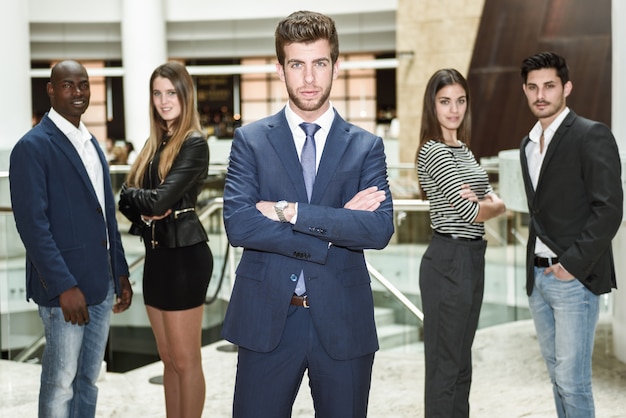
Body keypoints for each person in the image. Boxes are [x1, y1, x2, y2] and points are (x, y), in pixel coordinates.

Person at [221, 10, 394, 418]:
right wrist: (336, 223)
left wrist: (289, 211)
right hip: (266, 319)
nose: (309, 78)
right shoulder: (251, 141)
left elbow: (378, 230)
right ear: (280, 70)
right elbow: (239, 224)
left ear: (336, 65)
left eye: (319, 63)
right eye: (297, 65)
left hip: (343, 322)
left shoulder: (366, 146)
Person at [9, 60, 133, 418]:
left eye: (83, 85)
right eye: (68, 85)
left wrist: (119, 271)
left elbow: (106, 217)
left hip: (101, 285)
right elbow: (33, 227)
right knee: (60, 382)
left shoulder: (92, 144)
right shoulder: (32, 147)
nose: (78, 93)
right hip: (65, 292)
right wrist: (64, 285)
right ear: (51, 90)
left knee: (87, 381)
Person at [519, 51, 623, 417]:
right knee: (557, 378)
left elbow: (609, 209)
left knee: (574, 382)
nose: (540, 95)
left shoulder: (590, 134)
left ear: (567, 87)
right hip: (538, 276)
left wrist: (572, 265)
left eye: (549, 86)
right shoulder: (528, 144)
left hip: (573, 279)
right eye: (532, 87)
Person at [118, 61, 213, 418]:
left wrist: (142, 201)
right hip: (156, 255)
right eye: (157, 93)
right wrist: (142, 204)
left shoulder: (194, 143)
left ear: (185, 95)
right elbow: (126, 199)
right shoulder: (155, 143)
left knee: (186, 360)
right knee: (168, 359)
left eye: (171, 92)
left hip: (185, 258)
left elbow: (156, 200)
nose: (163, 100)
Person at [415, 68, 506, 417]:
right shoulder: (433, 152)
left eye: (460, 101)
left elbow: (491, 201)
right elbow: (472, 212)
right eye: (445, 101)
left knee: (462, 363)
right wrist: (489, 205)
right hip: (448, 259)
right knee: (445, 366)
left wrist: (486, 204)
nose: (454, 109)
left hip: (473, 256)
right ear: (432, 105)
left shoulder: (463, 150)